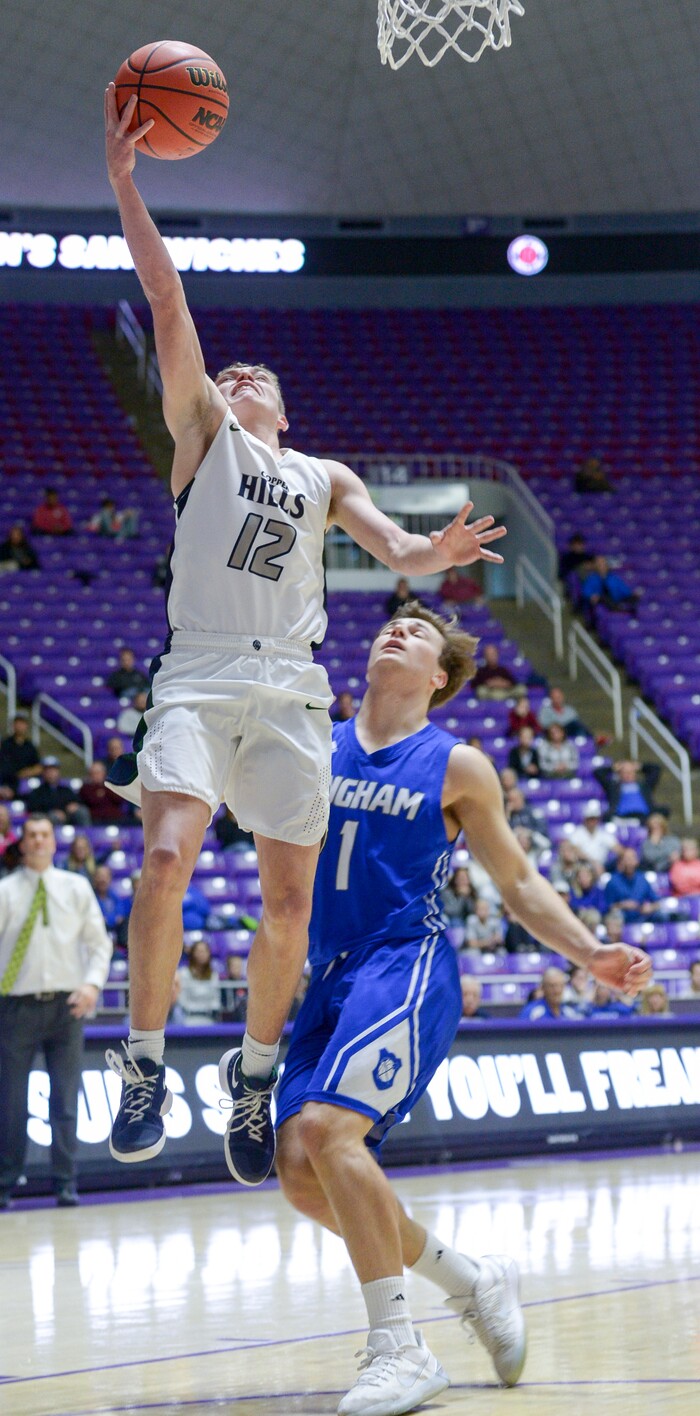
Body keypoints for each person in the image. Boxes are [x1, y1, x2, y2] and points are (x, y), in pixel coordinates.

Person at [102, 85, 508, 1183]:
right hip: (195, 676)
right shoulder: (203, 438)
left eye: (257, 379)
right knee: (165, 857)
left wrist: (435, 554)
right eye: (232, 375)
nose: (241, 377)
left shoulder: (323, 474)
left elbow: (396, 552)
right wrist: (127, 186)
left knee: (288, 905)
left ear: (283, 408)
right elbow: (170, 300)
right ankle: (143, 1062)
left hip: (289, 691)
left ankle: (252, 1073)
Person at [272, 602, 651, 1416]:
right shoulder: (314, 740)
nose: (395, 632)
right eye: (389, 627)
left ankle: (398, 1348)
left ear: (440, 678)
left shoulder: (458, 765)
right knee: (303, 1174)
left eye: (417, 634)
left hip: (405, 963)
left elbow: (515, 881)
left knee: (332, 1134)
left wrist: (589, 954)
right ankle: (471, 1279)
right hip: (328, 973)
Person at [0, 816, 112, 1208]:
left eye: (44, 834)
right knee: (10, 1102)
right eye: (31, 835)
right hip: (16, 1007)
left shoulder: (76, 887)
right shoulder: (5, 891)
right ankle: (5, 1184)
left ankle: (65, 1182)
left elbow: (100, 944)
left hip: (68, 1006)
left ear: (53, 842)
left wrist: (92, 985)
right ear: (22, 843)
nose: (38, 841)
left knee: (65, 1100)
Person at [24, 758, 90, 826]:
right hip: (48, 820)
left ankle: (86, 834)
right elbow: (33, 809)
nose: (51, 773)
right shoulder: (37, 792)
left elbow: (77, 801)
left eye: (53, 770)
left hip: (68, 817)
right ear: (43, 772)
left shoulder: (66, 789)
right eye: (47, 770)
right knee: (54, 816)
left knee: (82, 811)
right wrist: (52, 812)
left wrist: (74, 806)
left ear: (58, 771)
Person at [604, 847, 662, 922]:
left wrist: (650, 907)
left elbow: (657, 902)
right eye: (627, 859)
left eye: (632, 859)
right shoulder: (613, 882)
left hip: (641, 916)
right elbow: (608, 907)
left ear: (637, 861)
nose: (630, 862)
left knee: (661, 915)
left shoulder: (642, 879)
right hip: (622, 918)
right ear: (621, 862)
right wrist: (623, 905)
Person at [594, 759, 663, 820]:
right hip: (621, 818)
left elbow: (656, 769)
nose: (628, 775)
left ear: (635, 773)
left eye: (630, 772)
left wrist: (640, 766)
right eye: (624, 772)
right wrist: (613, 768)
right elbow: (598, 773)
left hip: (644, 817)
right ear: (619, 774)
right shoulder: (613, 787)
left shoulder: (644, 786)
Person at [176, 939, 222, 1025]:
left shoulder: (213, 975)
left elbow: (216, 999)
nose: (202, 954)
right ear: (193, 953)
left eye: (204, 951)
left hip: (209, 1019)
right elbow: (181, 999)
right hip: (188, 1019)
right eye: (199, 951)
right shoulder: (184, 973)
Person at [568, 801, 621, 873]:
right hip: (583, 866)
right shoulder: (578, 833)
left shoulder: (603, 834)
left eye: (594, 818)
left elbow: (617, 848)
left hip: (603, 866)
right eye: (590, 818)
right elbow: (574, 850)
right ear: (585, 819)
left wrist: (624, 855)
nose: (592, 821)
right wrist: (593, 863)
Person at [0, 712, 41, 800]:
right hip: (9, 782)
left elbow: (38, 766)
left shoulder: (30, 746)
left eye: (22, 723)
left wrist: (27, 772)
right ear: (13, 725)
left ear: (26, 726)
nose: (19, 726)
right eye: (17, 723)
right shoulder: (5, 744)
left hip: (27, 782)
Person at [78, 760, 125, 825]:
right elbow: (92, 800)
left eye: (98, 773)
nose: (96, 775)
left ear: (104, 773)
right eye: (93, 773)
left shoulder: (112, 786)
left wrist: (104, 790)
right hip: (95, 819)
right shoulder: (85, 788)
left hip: (114, 818)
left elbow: (119, 799)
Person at [92, 864, 128, 934]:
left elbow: (120, 916)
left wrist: (108, 920)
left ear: (110, 879)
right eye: (100, 876)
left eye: (105, 877)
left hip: (116, 930)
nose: (103, 880)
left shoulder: (115, 896)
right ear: (94, 879)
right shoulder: (91, 897)